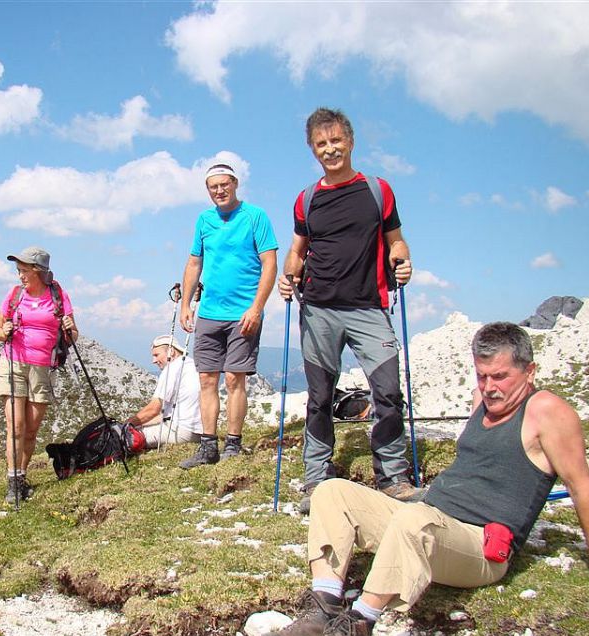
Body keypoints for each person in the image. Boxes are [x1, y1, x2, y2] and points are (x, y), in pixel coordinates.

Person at [257, 322, 589, 636]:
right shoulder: (484, 402)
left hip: (480, 546)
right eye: (482, 376)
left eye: (500, 376)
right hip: (432, 520)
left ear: (530, 371)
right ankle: (323, 609)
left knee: (414, 519)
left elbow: (581, 487)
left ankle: (358, 629)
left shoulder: (547, 412)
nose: (490, 388)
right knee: (332, 491)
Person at [279, 108, 418, 509]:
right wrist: (290, 276)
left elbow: (396, 240)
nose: (330, 149)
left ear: (351, 141)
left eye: (336, 140)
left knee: (387, 392)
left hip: (369, 306)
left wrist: (402, 260)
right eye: (321, 144)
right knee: (319, 397)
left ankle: (392, 477)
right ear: (312, 149)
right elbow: (297, 249)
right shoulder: (307, 200)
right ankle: (316, 479)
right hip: (318, 308)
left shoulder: (378, 190)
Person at [178, 161, 278, 468]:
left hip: (243, 313)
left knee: (236, 379)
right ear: (208, 190)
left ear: (235, 184)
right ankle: (209, 447)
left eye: (224, 184)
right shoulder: (204, 220)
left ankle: (233, 443)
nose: (219, 190)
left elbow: (269, 263)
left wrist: (257, 308)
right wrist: (186, 304)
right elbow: (194, 263)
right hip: (208, 312)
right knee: (207, 379)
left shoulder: (255, 216)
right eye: (213, 187)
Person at [0, 246, 77, 503]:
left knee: (30, 430)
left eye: (24, 270)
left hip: (43, 368)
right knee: (15, 426)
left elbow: (71, 338)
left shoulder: (58, 295)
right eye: (19, 271)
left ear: (38, 270)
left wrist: (70, 329)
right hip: (13, 363)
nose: (20, 276)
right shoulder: (15, 295)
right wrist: (3, 330)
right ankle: (13, 483)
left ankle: (21, 475)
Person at [125, 334, 203, 449]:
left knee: (128, 437)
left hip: (182, 432)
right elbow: (165, 415)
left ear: (171, 351)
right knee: (139, 427)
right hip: (201, 432)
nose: (154, 360)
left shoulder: (171, 369)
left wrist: (126, 425)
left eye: (157, 355)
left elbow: (153, 409)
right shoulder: (192, 365)